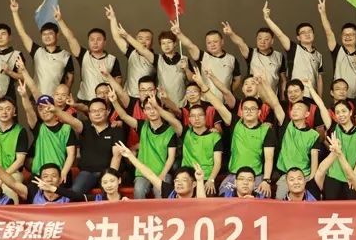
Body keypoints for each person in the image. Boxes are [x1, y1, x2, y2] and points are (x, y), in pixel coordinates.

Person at [265, 77, 328, 199]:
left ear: (307, 114)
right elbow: (275, 103)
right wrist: (264, 83)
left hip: (304, 175)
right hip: (285, 175)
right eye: (293, 109)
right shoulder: (286, 124)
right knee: (280, 203)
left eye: (299, 109)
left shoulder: (313, 135)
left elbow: (314, 161)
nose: (294, 111)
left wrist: (311, 181)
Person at [166, 69, 226, 197]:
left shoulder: (213, 128)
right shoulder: (185, 127)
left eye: (200, 116)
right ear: (189, 119)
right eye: (193, 116)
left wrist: (211, 180)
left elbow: (218, 162)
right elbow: (171, 117)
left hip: (207, 175)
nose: (197, 119)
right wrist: (161, 102)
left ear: (205, 118)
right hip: (188, 173)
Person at [53, 96, 127, 194]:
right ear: (89, 113)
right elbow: (71, 120)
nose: (97, 113)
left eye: (100, 110)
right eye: (93, 111)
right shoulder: (84, 126)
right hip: (87, 172)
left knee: (110, 192)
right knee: (75, 191)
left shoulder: (116, 130)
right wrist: (55, 110)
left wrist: (111, 176)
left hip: (107, 172)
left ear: (108, 112)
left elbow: (116, 157)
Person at [111, 96, 178, 199]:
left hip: (163, 172)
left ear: (160, 108)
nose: (152, 111)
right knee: (139, 189)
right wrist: (115, 101)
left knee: (159, 191)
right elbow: (124, 116)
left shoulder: (170, 131)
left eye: (155, 107)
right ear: (144, 111)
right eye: (148, 108)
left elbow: (171, 157)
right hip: (143, 173)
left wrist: (162, 175)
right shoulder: (142, 126)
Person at [9, 0, 74, 97]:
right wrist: (15, 12)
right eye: (44, 34)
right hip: (36, 98)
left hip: (56, 100)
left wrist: (64, 96)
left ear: (57, 35)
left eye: (50, 34)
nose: (47, 37)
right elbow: (22, 33)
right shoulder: (37, 51)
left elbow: (69, 78)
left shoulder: (66, 55)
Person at [54, 5, 121, 101]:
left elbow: (118, 83)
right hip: (84, 100)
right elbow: (71, 38)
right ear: (88, 42)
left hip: (104, 102)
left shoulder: (112, 59)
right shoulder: (83, 55)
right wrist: (60, 20)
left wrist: (110, 99)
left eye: (99, 39)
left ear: (105, 42)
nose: (95, 42)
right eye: (92, 40)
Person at [220, 96, 277, 197]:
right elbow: (218, 105)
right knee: (224, 196)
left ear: (259, 112)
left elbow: (269, 158)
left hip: (256, 176)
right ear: (241, 112)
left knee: (263, 197)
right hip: (234, 175)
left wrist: (266, 180)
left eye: (252, 109)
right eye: (245, 108)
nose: (249, 111)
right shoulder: (235, 123)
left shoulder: (266, 130)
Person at [263, 1, 324, 95]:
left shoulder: (318, 55)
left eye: (309, 31)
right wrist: (267, 18)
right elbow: (280, 34)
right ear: (298, 37)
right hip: (295, 96)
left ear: (313, 34)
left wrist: (319, 98)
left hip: (312, 97)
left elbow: (319, 79)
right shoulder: (294, 48)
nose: (307, 34)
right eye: (303, 33)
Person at [19, 87, 78, 184]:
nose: (44, 111)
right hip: (39, 174)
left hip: (59, 173)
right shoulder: (38, 127)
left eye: (47, 107)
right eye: (40, 109)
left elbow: (71, 154)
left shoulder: (66, 129)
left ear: (54, 108)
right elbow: (29, 110)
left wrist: (63, 173)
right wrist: (24, 96)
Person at [172, 20, 241, 100]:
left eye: (215, 42)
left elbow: (237, 80)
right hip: (206, 102)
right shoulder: (202, 56)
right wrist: (179, 34)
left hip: (226, 102)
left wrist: (228, 92)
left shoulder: (232, 59)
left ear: (222, 42)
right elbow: (190, 46)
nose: (212, 45)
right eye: (209, 43)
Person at [320, 99, 356, 200]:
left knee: (351, 208)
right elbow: (321, 106)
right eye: (337, 112)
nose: (341, 115)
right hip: (333, 177)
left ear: (351, 112)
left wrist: (353, 176)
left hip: (352, 177)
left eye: (344, 111)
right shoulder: (333, 128)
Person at [317, 0, 356, 95]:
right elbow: (329, 32)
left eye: (351, 34)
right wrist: (323, 13)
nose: (348, 37)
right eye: (345, 34)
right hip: (339, 97)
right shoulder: (337, 50)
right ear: (341, 36)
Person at [222, 21, 286, 98]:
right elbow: (240, 43)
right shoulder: (251, 53)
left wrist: (283, 99)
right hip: (254, 98)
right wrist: (231, 34)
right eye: (260, 39)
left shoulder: (279, 56)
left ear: (272, 41)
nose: (262, 42)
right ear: (256, 40)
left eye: (266, 39)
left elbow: (283, 80)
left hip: (273, 98)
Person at [104, 5, 155, 98]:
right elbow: (117, 38)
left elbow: (143, 50)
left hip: (148, 98)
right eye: (140, 38)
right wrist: (112, 19)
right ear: (136, 39)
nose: (143, 41)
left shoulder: (155, 58)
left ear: (152, 42)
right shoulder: (132, 52)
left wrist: (127, 35)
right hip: (130, 97)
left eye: (147, 39)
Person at [0, 158, 87, 204]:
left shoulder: (68, 195)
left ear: (60, 179)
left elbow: (87, 199)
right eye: (45, 176)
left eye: (54, 176)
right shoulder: (33, 192)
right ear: (40, 179)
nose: (49, 179)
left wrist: (54, 189)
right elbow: (12, 183)